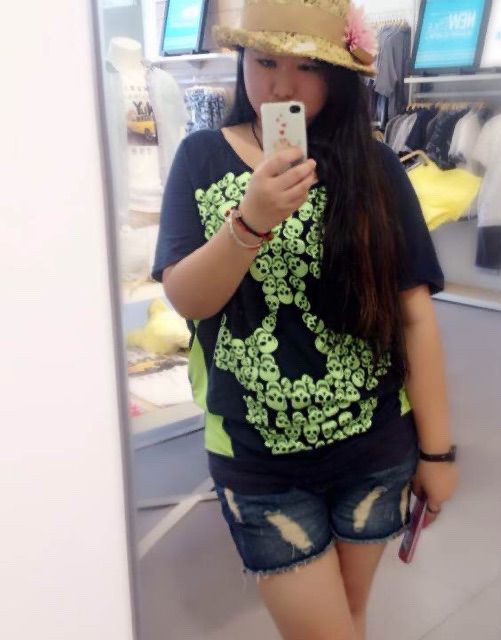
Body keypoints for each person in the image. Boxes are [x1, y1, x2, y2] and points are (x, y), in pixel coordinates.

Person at [152, 1, 458, 638]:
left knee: (351, 617)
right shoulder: (201, 158)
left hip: (373, 446)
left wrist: (438, 451)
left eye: (307, 67)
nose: (281, 86)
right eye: (264, 62)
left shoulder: (374, 167)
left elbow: (414, 318)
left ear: (337, 76)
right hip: (258, 460)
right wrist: (251, 220)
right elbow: (188, 298)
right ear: (241, 59)